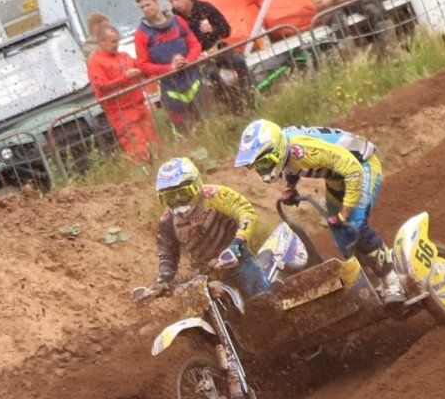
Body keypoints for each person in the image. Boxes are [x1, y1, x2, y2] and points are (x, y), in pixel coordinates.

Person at [235, 118, 404, 302]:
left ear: (276, 150)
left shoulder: (302, 150)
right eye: (257, 165)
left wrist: (344, 212)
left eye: (264, 162)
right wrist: (290, 187)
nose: (262, 168)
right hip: (337, 177)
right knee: (340, 232)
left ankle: (393, 282)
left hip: (362, 166)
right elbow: (290, 165)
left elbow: (353, 168)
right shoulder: (287, 150)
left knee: (355, 224)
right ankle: (370, 278)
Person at [135, 157, 270, 303]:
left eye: (183, 193)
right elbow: (168, 254)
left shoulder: (214, 195)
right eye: (171, 196)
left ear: (196, 185)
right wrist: (162, 281)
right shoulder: (167, 221)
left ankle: (272, 308)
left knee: (259, 297)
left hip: (235, 257)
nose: (178, 200)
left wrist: (236, 245)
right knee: (192, 305)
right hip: (204, 273)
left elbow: (246, 213)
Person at [166, 0, 254, 113]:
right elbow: (175, 45)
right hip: (198, 59)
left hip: (217, 48)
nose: (175, 4)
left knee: (239, 61)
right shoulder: (174, 21)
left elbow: (227, 30)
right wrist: (192, 55)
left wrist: (213, 28)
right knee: (212, 74)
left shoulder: (204, 7)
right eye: (171, 2)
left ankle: (249, 98)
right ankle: (234, 103)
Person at [86, 17, 160, 163]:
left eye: (117, 41)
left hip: (139, 105)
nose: (117, 45)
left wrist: (152, 69)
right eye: (113, 42)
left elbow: (142, 67)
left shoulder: (124, 56)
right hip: (121, 112)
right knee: (137, 148)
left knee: (155, 144)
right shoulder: (95, 61)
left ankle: (159, 166)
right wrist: (125, 77)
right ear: (102, 42)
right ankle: (144, 171)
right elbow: (101, 87)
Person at [133, 0, 205, 132]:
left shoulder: (177, 20)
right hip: (170, 88)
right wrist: (169, 68)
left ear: (156, 1)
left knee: (209, 121)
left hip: (193, 78)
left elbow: (195, 44)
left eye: (148, 4)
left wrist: (188, 60)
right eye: (142, 7)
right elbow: (142, 65)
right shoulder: (141, 34)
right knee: (185, 132)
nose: (146, 9)